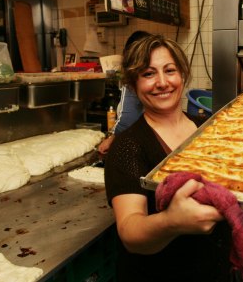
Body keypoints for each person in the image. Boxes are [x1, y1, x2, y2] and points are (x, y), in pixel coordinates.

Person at [104, 34, 234, 281]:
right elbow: (130, 231)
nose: (162, 82)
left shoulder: (208, 127)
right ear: (133, 85)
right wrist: (171, 221)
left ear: (182, 75)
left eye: (170, 70)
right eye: (148, 74)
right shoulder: (127, 146)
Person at [97, 30, 150, 154]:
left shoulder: (133, 77)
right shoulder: (151, 76)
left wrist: (111, 139)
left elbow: (127, 118)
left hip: (135, 144)